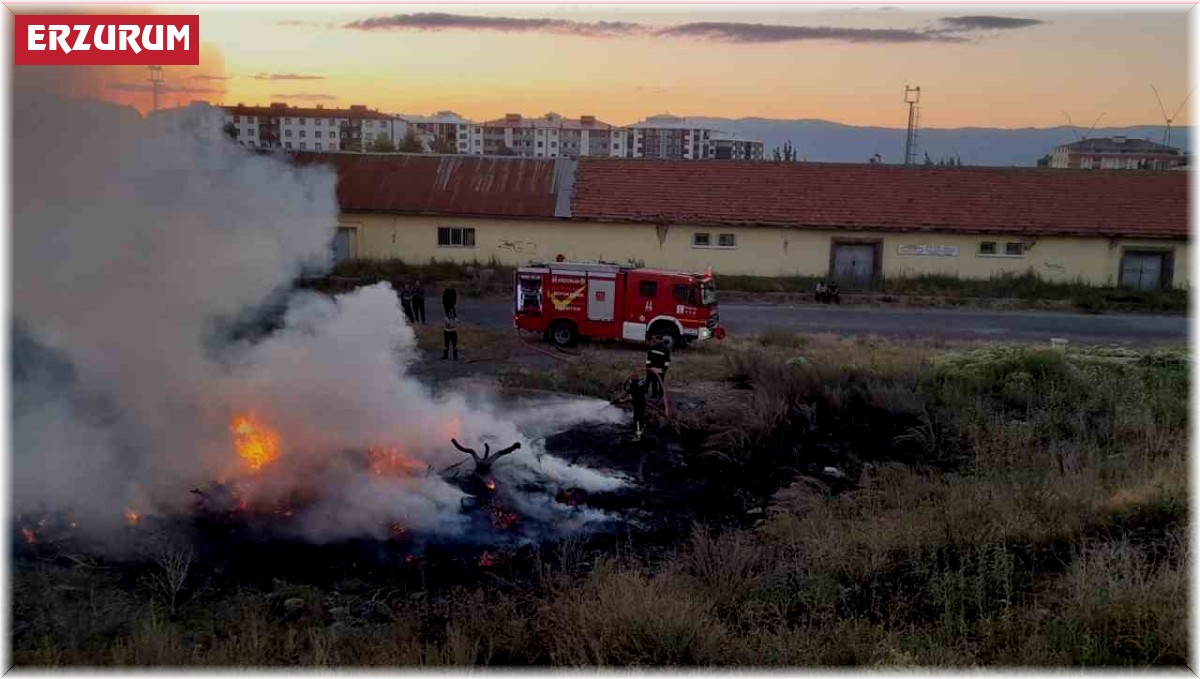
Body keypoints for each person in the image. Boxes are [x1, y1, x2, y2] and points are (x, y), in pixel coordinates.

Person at [625, 375, 647, 440]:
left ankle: (638, 435)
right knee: (640, 418)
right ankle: (641, 431)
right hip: (641, 404)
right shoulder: (640, 385)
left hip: (638, 405)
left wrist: (622, 400)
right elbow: (628, 392)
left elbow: (629, 392)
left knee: (637, 419)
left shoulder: (635, 387)